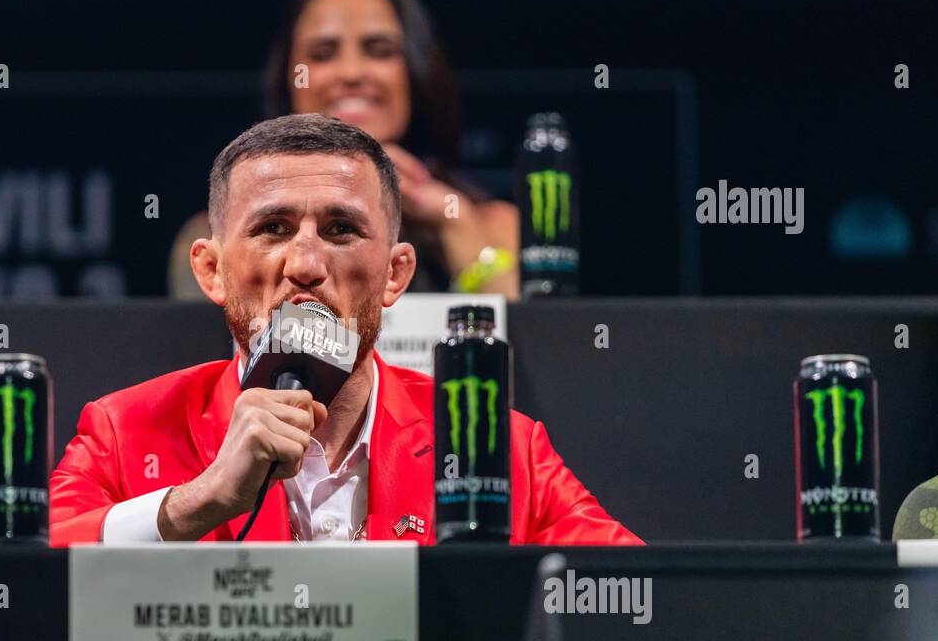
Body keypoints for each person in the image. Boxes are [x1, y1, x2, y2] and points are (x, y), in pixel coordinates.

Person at [51, 115, 637, 545]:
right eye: (273, 227)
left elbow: (636, 600)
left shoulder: (503, 449)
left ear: (395, 273)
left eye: (340, 230)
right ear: (211, 270)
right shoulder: (125, 431)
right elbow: (17, 579)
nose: (305, 264)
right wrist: (195, 503)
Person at [168, 0, 520, 301]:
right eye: (323, 54)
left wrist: (450, 219)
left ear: (415, 71)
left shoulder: (494, 225)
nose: (351, 72)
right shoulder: (214, 233)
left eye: (379, 50)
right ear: (288, 80)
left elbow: (530, 347)